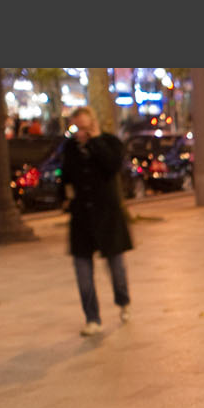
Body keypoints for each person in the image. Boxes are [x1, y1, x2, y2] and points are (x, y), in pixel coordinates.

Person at [61, 107, 132, 336]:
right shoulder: (70, 148)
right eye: (77, 128)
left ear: (94, 124)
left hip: (108, 216)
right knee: (82, 272)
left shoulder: (110, 143)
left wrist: (95, 141)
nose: (81, 133)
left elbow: (112, 166)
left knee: (117, 269)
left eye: (85, 127)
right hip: (81, 218)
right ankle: (92, 317)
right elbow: (65, 177)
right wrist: (63, 196)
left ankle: (123, 302)